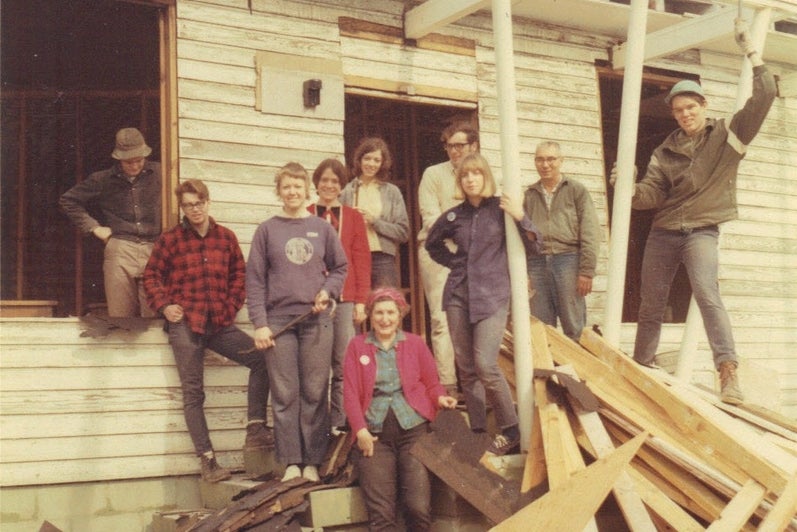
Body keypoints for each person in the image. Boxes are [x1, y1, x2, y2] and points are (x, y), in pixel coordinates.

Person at [611, 19, 776, 405]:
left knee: (705, 291)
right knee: (651, 301)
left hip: (701, 230)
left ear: (704, 107)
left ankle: (727, 372)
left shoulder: (730, 133)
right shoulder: (663, 152)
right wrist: (628, 188)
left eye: (690, 107)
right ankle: (642, 366)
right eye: (678, 111)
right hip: (664, 230)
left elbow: (766, 92)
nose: (685, 114)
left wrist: (751, 49)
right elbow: (650, 195)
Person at [143, 179, 273, 483]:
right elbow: (151, 276)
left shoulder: (225, 238)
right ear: (182, 208)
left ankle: (255, 427)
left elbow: (239, 278)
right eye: (188, 205)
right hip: (186, 326)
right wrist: (164, 306)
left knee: (261, 357)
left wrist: (228, 310)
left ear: (208, 202)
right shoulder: (171, 240)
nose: (195, 209)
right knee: (193, 392)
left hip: (218, 325)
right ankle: (208, 460)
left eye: (198, 203)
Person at [425, 153, 541, 455]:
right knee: (466, 368)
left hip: (492, 295)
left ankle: (511, 429)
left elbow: (534, 244)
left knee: (485, 364)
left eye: (476, 173)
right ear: (459, 182)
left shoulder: (500, 208)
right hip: (458, 295)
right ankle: (478, 433)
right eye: (465, 175)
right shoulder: (454, 216)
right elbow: (431, 243)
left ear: (485, 176)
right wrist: (454, 263)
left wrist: (519, 215)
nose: (470, 179)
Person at [246, 162, 348, 483]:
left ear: (307, 191)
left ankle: (313, 462)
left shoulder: (322, 228)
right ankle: (291, 460)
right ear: (279, 191)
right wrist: (260, 323)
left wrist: (327, 291)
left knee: (315, 391)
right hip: (279, 323)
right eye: (286, 187)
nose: (292, 192)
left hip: (316, 321)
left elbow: (341, 268)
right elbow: (255, 281)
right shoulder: (267, 230)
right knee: (285, 392)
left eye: (297, 187)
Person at [343, 287, 457, 531]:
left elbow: (431, 383)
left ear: (400, 315)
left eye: (391, 313)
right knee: (382, 515)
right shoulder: (357, 346)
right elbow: (350, 394)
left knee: (418, 508)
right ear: (371, 316)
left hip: (413, 432)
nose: (385, 319)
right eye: (379, 313)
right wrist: (360, 431)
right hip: (374, 437)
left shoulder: (415, 343)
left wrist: (440, 399)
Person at [60, 127, 161, 317]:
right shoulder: (102, 179)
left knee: (154, 316)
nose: (134, 166)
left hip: (155, 248)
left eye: (139, 160)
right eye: (128, 161)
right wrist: (93, 227)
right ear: (118, 158)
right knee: (120, 317)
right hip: (120, 248)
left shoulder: (162, 173)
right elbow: (68, 200)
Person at [308, 158, 372, 433]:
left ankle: (340, 423)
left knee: (343, 361)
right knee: (316, 364)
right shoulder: (306, 213)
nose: (329, 185)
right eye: (325, 180)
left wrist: (360, 300)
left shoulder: (353, 216)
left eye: (335, 181)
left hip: (345, 298)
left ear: (341, 185)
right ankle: (316, 425)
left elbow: (361, 259)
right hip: (314, 300)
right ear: (316, 183)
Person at [417, 122, 480, 394]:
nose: (454, 151)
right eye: (450, 146)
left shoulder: (480, 174)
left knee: (477, 316)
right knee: (442, 319)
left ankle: (476, 385)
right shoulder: (433, 174)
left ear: (473, 146)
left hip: (475, 253)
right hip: (439, 249)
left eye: (460, 145)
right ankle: (448, 385)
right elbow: (431, 216)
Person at [522, 141, 600, 342]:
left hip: (568, 261)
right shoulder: (529, 195)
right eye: (540, 159)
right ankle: (550, 373)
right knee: (540, 328)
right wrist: (524, 272)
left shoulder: (576, 190)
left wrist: (586, 271)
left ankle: (577, 372)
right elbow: (521, 237)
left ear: (561, 161)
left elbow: (590, 231)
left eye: (551, 159)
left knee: (574, 326)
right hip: (537, 263)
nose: (545, 164)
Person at [340, 137, 409, 288]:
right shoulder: (346, 191)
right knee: (356, 308)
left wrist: (374, 222)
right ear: (359, 160)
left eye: (376, 160)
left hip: (382, 259)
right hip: (353, 257)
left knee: (386, 303)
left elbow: (403, 232)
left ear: (383, 163)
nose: (371, 164)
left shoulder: (392, 192)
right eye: (367, 158)